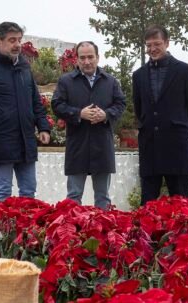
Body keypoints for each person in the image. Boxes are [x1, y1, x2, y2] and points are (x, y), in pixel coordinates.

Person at [0, 21, 51, 201]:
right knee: (3, 192)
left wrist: (43, 127)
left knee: (28, 193)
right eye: (12, 40)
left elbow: (35, 100)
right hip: (0, 141)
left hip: (26, 141)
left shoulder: (24, 67)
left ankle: (25, 230)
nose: (17, 45)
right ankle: (3, 230)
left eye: (19, 40)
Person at [51, 41, 126, 209]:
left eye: (90, 57)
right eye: (82, 58)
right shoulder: (66, 81)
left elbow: (121, 104)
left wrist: (106, 115)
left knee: (103, 198)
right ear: (76, 60)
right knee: (73, 197)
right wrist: (79, 113)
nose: (87, 62)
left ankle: (103, 233)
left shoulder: (111, 81)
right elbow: (57, 105)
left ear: (98, 58)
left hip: (102, 146)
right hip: (78, 146)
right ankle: (71, 233)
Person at [132, 25, 188, 205]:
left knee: (180, 204)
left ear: (167, 43)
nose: (152, 49)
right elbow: (139, 109)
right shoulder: (138, 76)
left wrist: (179, 127)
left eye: (157, 44)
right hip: (150, 147)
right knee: (147, 204)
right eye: (148, 45)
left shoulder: (184, 71)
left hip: (176, 146)